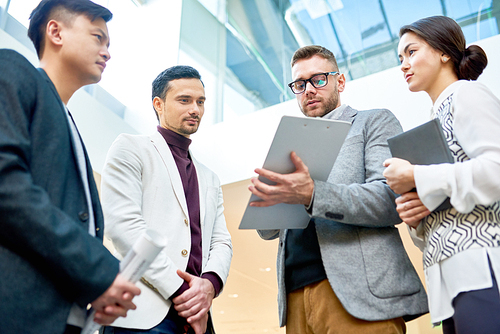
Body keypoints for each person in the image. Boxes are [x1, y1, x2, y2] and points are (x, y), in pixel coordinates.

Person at [250, 45, 428, 334]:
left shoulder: (373, 121)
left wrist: (312, 194)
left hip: (359, 294)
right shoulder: (290, 144)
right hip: (294, 296)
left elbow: (389, 198)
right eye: (299, 84)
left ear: (340, 81)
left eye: (318, 79)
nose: (308, 90)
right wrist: (266, 201)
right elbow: (267, 231)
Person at [0, 1, 141, 334]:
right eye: (98, 37)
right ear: (55, 32)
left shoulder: (70, 125)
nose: (107, 52)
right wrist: (99, 271)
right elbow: (7, 187)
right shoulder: (13, 69)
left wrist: (94, 286)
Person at [383, 16, 500, 334]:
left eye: (411, 52)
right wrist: (418, 214)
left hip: (483, 267)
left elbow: (496, 171)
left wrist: (417, 176)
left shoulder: (467, 94)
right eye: (400, 58)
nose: (403, 64)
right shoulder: (434, 117)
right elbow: (446, 209)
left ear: (443, 52)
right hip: (449, 280)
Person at [100, 65, 233, 334]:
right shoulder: (130, 148)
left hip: (197, 316)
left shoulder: (210, 177)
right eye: (184, 100)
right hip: (142, 314)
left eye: (201, 101)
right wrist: (183, 291)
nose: (195, 109)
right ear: (158, 104)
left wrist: (210, 284)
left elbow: (221, 241)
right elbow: (123, 228)